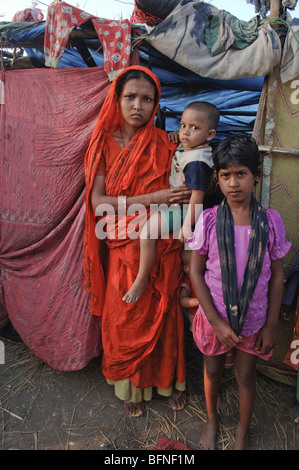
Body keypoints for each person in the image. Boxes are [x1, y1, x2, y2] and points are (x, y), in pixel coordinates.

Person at [84, 65, 190, 417]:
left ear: (156, 104)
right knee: (126, 314)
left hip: (162, 242)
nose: (138, 106)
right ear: (117, 99)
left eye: (147, 99)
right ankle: (131, 386)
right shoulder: (103, 142)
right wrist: (151, 199)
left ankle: (169, 383)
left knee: (164, 313)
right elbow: (98, 203)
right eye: (130, 97)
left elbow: (183, 194)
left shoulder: (166, 143)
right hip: (122, 243)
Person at [188, 134, 291, 449]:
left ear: (256, 176)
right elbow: (195, 271)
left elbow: (276, 276)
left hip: (254, 320)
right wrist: (217, 323)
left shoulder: (270, 223)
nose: (234, 183)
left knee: (246, 375)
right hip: (214, 317)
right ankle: (212, 419)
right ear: (217, 180)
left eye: (241, 174)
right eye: (226, 175)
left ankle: (243, 432)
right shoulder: (208, 221)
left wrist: (271, 325)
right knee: (213, 367)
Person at [123, 101, 219, 303]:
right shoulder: (192, 149)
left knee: (147, 234)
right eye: (183, 125)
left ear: (210, 135)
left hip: (184, 210)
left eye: (194, 128)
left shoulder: (197, 161)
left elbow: (197, 197)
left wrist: (186, 225)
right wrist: (177, 135)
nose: (185, 132)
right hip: (179, 207)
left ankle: (141, 279)